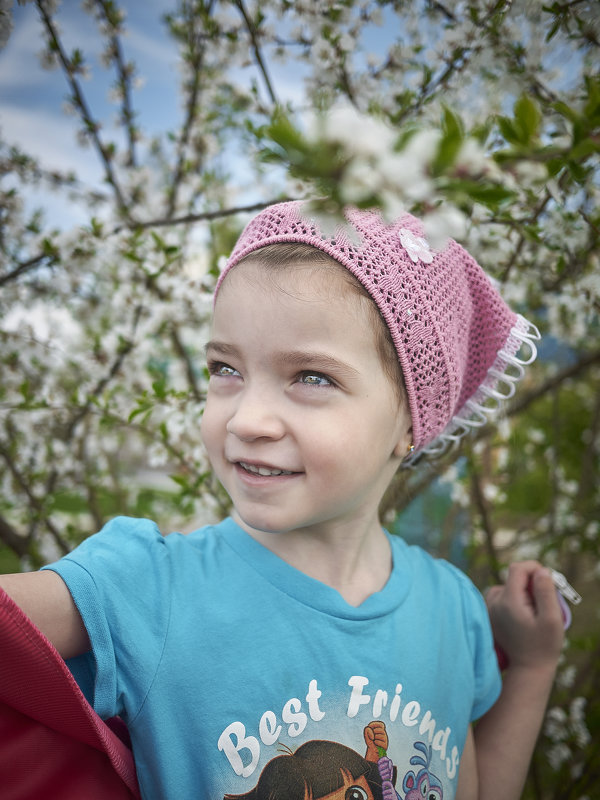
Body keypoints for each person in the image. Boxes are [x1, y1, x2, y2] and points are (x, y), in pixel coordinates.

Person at [0, 200, 565, 800]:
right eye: (225, 368)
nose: (247, 419)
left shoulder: (454, 611)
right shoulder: (150, 587)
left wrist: (531, 669)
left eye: (311, 377)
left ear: (410, 422)